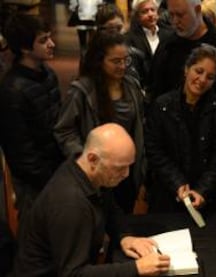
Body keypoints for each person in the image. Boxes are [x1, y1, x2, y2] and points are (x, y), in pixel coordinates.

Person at [14, 123, 170, 276]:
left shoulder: (87, 170)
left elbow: (110, 209)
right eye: (120, 168)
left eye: (129, 166)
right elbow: (73, 273)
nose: (126, 174)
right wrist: (135, 268)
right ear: (93, 159)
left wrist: (125, 236)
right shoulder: (70, 203)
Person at [54, 31, 145, 214]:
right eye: (115, 61)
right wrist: (84, 157)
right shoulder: (82, 91)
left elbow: (140, 125)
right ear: (100, 61)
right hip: (97, 173)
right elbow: (64, 130)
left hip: (126, 171)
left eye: (125, 60)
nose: (122, 66)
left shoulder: (132, 85)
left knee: (124, 218)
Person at [145, 44, 216, 212]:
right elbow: (154, 150)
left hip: (207, 196)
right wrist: (177, 183)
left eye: (210, 77)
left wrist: (202, 190)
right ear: (186, 69)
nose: (202, 80)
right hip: (167, 193)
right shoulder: (162, 105)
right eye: (198, 71)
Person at [0, 14, 63, 227]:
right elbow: (21, 154)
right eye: (43, 40)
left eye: (50, 37)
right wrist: (50, 180)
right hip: (34, 183)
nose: (51, 44)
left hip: (55, 171)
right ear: (25, 48)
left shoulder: (47, 73)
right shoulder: (12, 91)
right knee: (35, 236)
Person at [149, 0, 216, 109]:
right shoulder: (167, 46)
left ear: (198, 10)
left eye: (180, 15)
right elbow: (154, 92)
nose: (175, 21)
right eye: (171, 15)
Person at [127, 0, 172, 91]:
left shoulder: (169, 34)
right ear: (137, 17)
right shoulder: (130, 39)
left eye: (153, 10)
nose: (150, 14)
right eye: (145, 11)